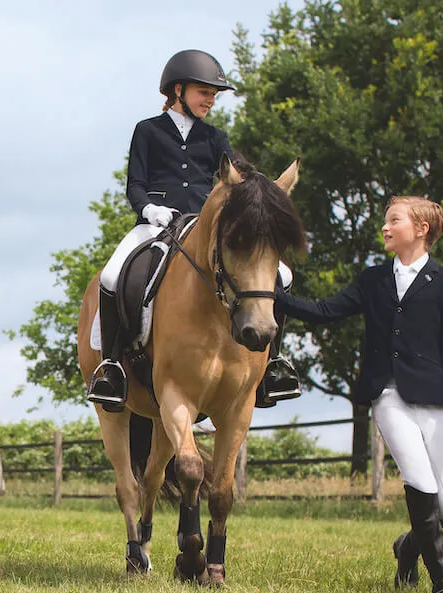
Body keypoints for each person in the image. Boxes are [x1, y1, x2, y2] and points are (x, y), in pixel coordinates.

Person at [276, 196, 443, 593]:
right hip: (387, 394)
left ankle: (407, 548)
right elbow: (324, 310)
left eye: (394, 221)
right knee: (419, 482)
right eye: (385, 221)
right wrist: (271, 294)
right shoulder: (372, 280)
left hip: (436, 399)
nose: (385, 228)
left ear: (421, 229)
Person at [86, 48, 300, 411]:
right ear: (179, 90)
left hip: (206, 226)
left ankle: (273, 364)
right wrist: (149, 209)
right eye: (205, 92)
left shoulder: (215, 137)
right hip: (156, 224)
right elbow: (134, 184)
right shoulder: (148, 131)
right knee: (111, 275)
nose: (211, 100)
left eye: (214, 94)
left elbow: (240, 179)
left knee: (282, 273)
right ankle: (111, 367)